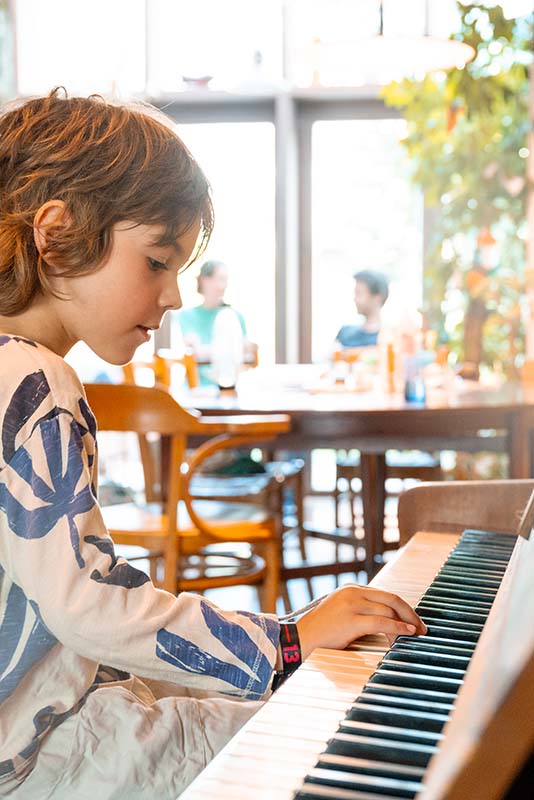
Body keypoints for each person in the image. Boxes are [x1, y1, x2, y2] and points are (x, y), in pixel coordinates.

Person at [0, 89, 426, 800]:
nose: (173, 296)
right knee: (337, 745)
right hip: (44, 754)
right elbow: (87, 607)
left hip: (40, 725)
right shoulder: (36, 382)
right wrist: (287, 641)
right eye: (157, 261)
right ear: (56, 233)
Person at [176, 259, 256, 386]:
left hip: (229, 383)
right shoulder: (186, 316)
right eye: (219, 279)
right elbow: (194, 353)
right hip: (196, 386)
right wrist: (228, 351)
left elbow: (246, 351)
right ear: (204, 280)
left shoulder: (234, 316)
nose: (222, 286)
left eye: (225, 280)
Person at [335, 269, 389, 349]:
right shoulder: (344, 333)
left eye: (359, 293)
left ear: (377, 298)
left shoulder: (389, 340)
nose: (355, 299)